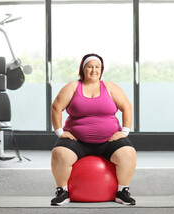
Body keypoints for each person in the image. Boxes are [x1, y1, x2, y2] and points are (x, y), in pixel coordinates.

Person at [50, 53, 137, 206]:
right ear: (83, 69)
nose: (94, 70)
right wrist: (60, 132)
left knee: (128, 153)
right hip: (78, 141)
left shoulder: (109, 87)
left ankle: (122, 191)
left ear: (101, 70)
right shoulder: (72, 87)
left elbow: (127, 107)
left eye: (97, 67)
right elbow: (56, 107)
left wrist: (124, 132)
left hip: (109, 140)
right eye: (90, 66)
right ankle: (62, 191)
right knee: (59, 154)